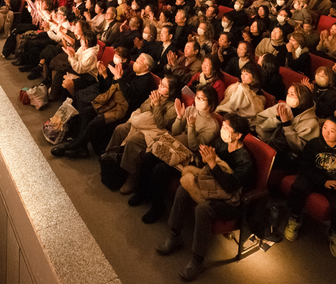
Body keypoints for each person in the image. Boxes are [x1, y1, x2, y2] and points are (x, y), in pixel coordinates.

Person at [155, 113, 255, 281]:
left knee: (203, 209)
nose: (222, 131)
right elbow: (206, 167)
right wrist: (205, 159)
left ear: (237, 135)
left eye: (226, 129)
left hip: (231, 201)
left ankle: (197, 260)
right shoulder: (221, 143)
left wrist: (213, 164)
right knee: (183, 188)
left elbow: (231, 185)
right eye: (222, 127)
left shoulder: (245, 160)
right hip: (213, 186)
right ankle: (174, 235)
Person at [128, 84, 221, 224]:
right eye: (197, 97)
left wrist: (190, 126)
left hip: (188, 157)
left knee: (161, 169)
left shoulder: (212, 125)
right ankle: (142, 193)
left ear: (211, 102)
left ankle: (158, 207)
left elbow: (194, 146)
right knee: (148, 157)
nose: (197, 101)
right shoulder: (190, 109)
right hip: (174, 146)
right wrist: (179, 117)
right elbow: (175, 131)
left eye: (202, 99)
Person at [284, 117, 336, 260]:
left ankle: (335, 233)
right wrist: (323, 181)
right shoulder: (314, 144)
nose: (326, 132)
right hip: (315, 177)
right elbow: (305, 166)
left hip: (335, 183)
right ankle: (295, 218)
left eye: (332, 131)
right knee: (299, 186)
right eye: (325, 128)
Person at [106, 74, 180, 194]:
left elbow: (161, 124)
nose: (159, 86)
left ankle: (131, 177)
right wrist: (152, 103)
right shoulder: (156, 94)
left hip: (154, 131)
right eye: (161, 83)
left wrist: (156, 105)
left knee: (133, 141)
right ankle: (110, 160)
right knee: (120, 129)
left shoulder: (173, 106)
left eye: (164, 85)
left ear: (171, 91)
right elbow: (142, 107)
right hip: (142, 123)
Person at [255, 83, 319, 168]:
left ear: (302, 98)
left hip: (286, 155)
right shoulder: (283, 106)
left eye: (292, 94)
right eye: (288, 93)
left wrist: (287, 125)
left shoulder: (311, 122)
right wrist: (277, 120)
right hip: (267, 142)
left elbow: (302, 148)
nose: (288, 96)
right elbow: (260, 122)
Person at [216, 62, 265, 127]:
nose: (243, 76)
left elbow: (255, 111)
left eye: (246, 74)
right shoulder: (237, 85)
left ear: (254, 77)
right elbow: (227, 99)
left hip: (242, 120)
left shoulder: (259, 95)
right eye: (242, 73)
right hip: (230, 112)